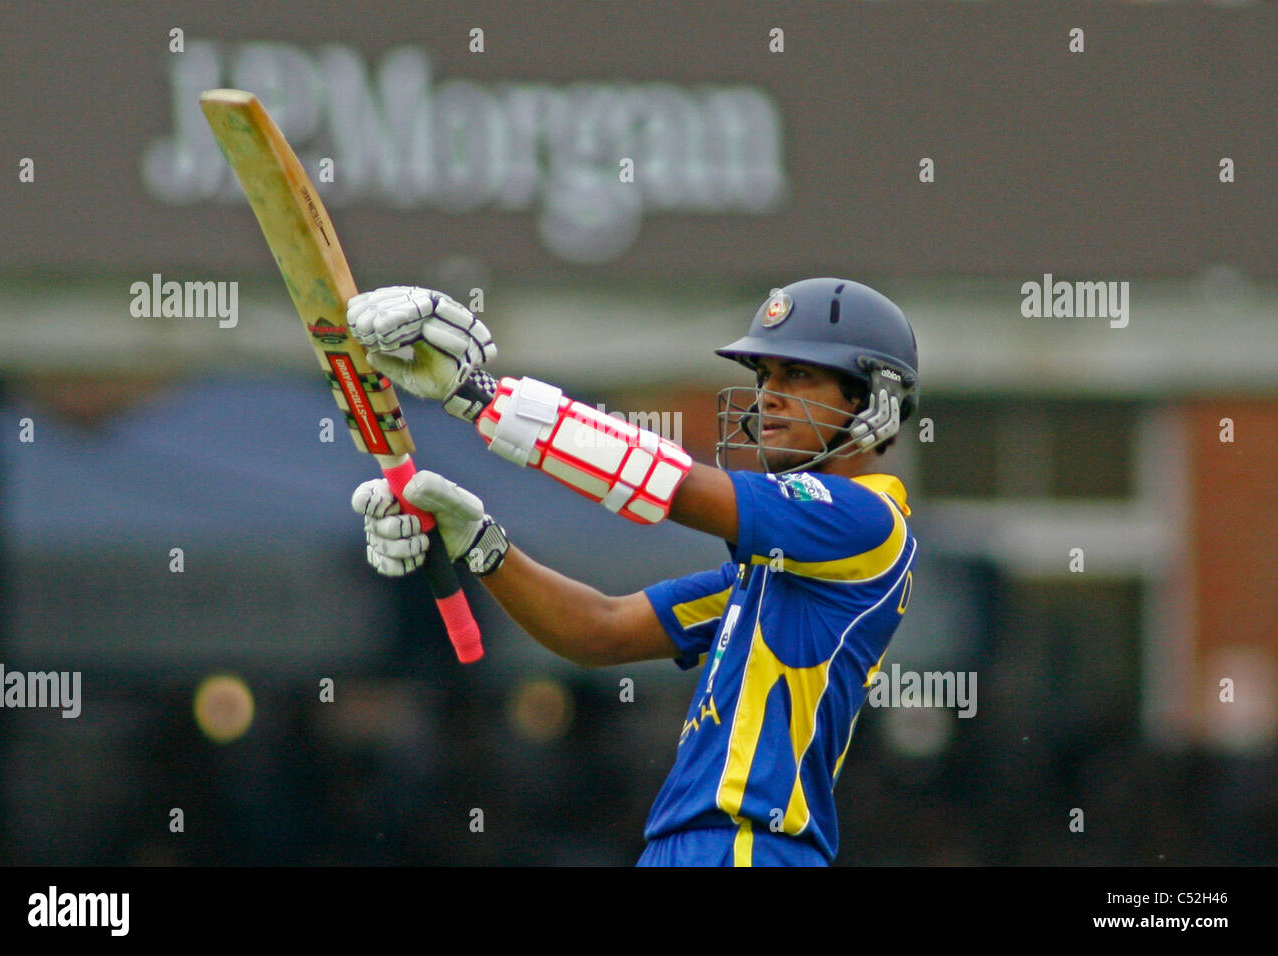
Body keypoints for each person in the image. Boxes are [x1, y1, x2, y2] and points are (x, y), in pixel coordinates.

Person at [347, 277, 920, 866]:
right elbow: (602, 629)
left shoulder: (866, 520)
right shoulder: (778, 571)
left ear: (873, 399)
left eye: (797, 375)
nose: (768, 396)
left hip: (749, 848)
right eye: (764, 376)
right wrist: (479, 543)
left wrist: (479, 396)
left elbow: (670, 486)